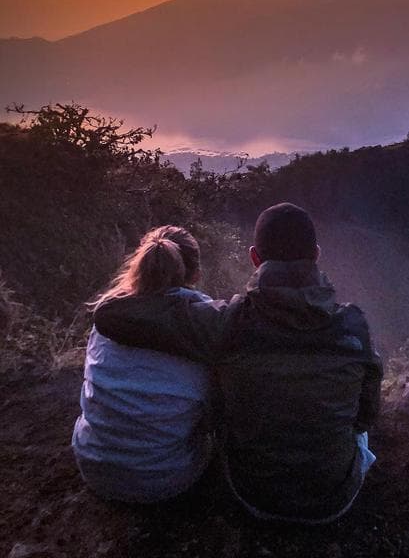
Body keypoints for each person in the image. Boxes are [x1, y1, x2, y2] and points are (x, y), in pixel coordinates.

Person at [95, 203, 382, 522]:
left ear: (254, 259)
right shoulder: (354, 326)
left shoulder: (227, 323)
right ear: (315, 254)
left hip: (252, 494)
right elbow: (365, 417)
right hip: (332, 500)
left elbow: (110, 316)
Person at [72, 226, 213, 503]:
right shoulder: (202, 319)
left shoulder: (109, 314)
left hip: (93, 466)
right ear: (195, 275)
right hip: (165, 478)